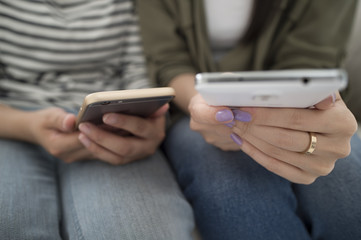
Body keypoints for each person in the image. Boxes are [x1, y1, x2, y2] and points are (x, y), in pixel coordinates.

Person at [136, 0, 361, 239]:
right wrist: (206, 103)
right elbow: (168, 61)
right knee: (230, 183)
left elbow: (311, 57)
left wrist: (285, 106)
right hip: (193, 102)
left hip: (294, 102)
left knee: (344, 183)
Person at [0, 1, 195, 239]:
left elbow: (138, 73)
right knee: (9, 221)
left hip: (110, 119)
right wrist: (28, 126)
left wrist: (150, 120)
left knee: (140, 231)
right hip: (12, 120)